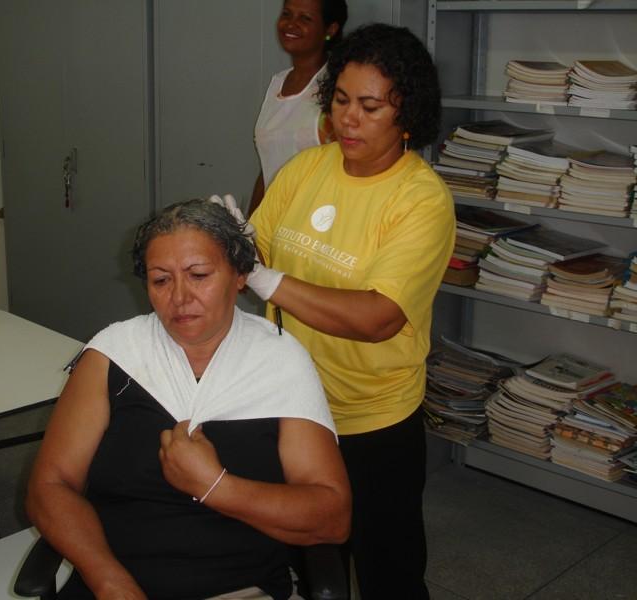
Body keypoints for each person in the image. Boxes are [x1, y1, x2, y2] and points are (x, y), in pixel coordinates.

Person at [26, 198, 351, 600]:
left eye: (198, 275)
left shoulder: (279, 361)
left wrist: (216, 486)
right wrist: (109, 580)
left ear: (240, 275)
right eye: (161, 280)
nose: (180, 297)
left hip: (240, 589)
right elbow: (50, 485)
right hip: (111, 584)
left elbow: (332, 517)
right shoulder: (114, 354)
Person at [246, 23, 455, 599]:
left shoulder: (421, 200)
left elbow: (378, 317)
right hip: (295, 404)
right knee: (311, 563)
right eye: (340, 100)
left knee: (388, 570)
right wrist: (229, 243)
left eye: (370, 106)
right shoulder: (306, 170)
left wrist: (270, 282)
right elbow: (258, 246)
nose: (349, 120)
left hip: (373, 420)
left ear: (407, 113)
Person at [248, 0, 348, 217]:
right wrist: (249, 224)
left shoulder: (339, 87)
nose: (291, 24)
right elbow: (269, 166)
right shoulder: (277, 83)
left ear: (330, 29)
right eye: (287, 14)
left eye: (305, 18)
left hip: (316, 222)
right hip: (273, 221)